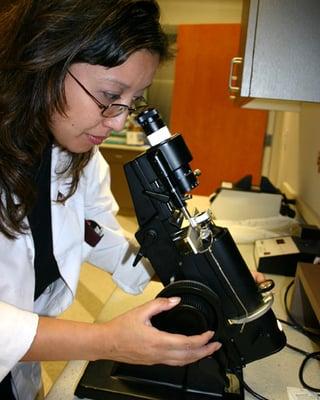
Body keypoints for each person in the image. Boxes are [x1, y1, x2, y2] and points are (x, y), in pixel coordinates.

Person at [0, 1, 228, 399]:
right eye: (110, 95)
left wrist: (208, 272)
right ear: (45, 59)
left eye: (133, 100)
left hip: (18, 372)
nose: (119, 120)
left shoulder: (75, 156)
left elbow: (97, 236)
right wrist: (107, 340)